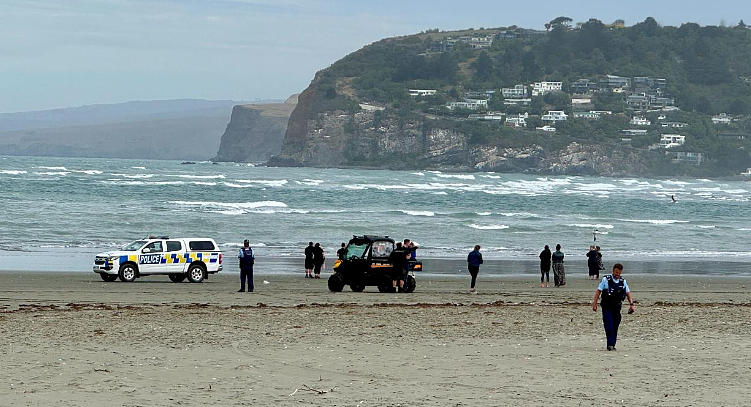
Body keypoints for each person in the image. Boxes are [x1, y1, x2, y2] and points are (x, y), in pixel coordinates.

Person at [592, 263, 635, 351]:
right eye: (616, 272)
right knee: (608, 325)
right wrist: (594, 303)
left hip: (617, 307)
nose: (617, 274)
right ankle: (610, 345)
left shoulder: (623, 281)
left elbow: (628, 293)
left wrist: (631, 304)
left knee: (615, 325)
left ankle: (612, 344)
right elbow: (598, 292)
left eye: (619, 272)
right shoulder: (605, 280)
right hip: (607, 306)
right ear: (613, 271)